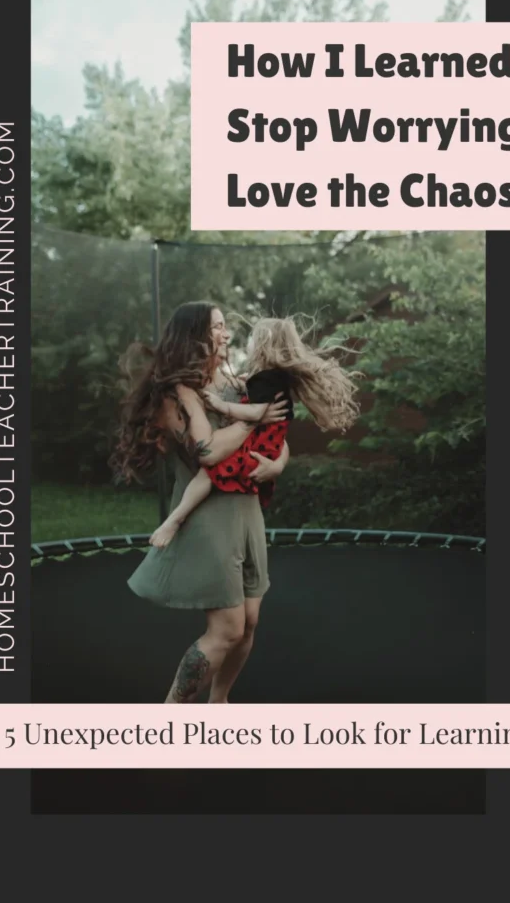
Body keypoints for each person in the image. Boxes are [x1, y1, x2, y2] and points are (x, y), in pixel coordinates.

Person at [110, 301, 290, 704]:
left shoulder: (237, 382)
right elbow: (207, 452)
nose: (226, 334)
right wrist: (250, 420)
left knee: (249, 624)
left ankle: (219, 703)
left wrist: (277, 465)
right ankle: (172, 712)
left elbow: (280, 434)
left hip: (247, 511)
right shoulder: (177, 394)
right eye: (218, 327)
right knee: (226, 629)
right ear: (195, 336)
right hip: (209, 515)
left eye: (226, 326)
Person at [150, 315, 361, 548]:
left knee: (208, 475)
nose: (239, 339)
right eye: (218, 327)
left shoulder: (266, 380)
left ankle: (175, 520)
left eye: (252, 337)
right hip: (267, 444)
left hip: (259, 445)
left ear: (262, 344)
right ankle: (176, 520)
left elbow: (256, 414)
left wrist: (223, 406)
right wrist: (243, 386)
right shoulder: (267, 378)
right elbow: (256, 400)